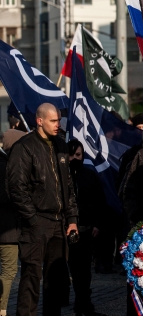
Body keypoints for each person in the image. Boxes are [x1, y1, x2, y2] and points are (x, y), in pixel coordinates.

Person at [7, 103, 79, 316]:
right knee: (31, 277)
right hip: (36, 222)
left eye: (58, 120)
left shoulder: (61, 146)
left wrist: (72, 218)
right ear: (39, 121)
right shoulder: (25, 147)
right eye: (53, 121)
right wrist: (33, 219)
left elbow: (68, 186)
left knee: (55, 278)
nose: (58, 125)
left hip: (59, 223)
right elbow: (15, 187)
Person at [67, 139, 108, 316]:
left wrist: (98, 224)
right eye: (71, 155)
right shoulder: (62, 177)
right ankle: (78, 301)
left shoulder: (90, 176)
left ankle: (84, 303)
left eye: (78, 155)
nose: (75, 158)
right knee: (73, 270)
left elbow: (100, 202)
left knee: (84, 270)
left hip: (87, 230)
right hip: (67, 231)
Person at [0, 129, 26, 316]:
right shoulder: (7, 165)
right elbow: (9, 197)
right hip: (7, 229)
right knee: (9, 271)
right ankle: (1, 309)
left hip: (7, 227)